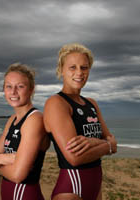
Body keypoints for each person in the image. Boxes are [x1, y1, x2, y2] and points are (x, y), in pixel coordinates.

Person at [43, 43, 117, 200]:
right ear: (61, 70)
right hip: (71, 188)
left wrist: (93, 142)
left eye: (84, 68)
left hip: (96, 185)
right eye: (72, 67)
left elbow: (113, 143)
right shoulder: (56, 103)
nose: (79, 73)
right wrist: (107, 146)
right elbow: (74, 158)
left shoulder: (91, 103)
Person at [0, 63, 50, 200]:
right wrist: (2, 158)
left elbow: (18, 175)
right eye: (8, 86)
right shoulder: (12, 119)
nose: (13, 92)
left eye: (20, 86)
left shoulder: (35, 120)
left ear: (31, 90)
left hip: (25, 194)